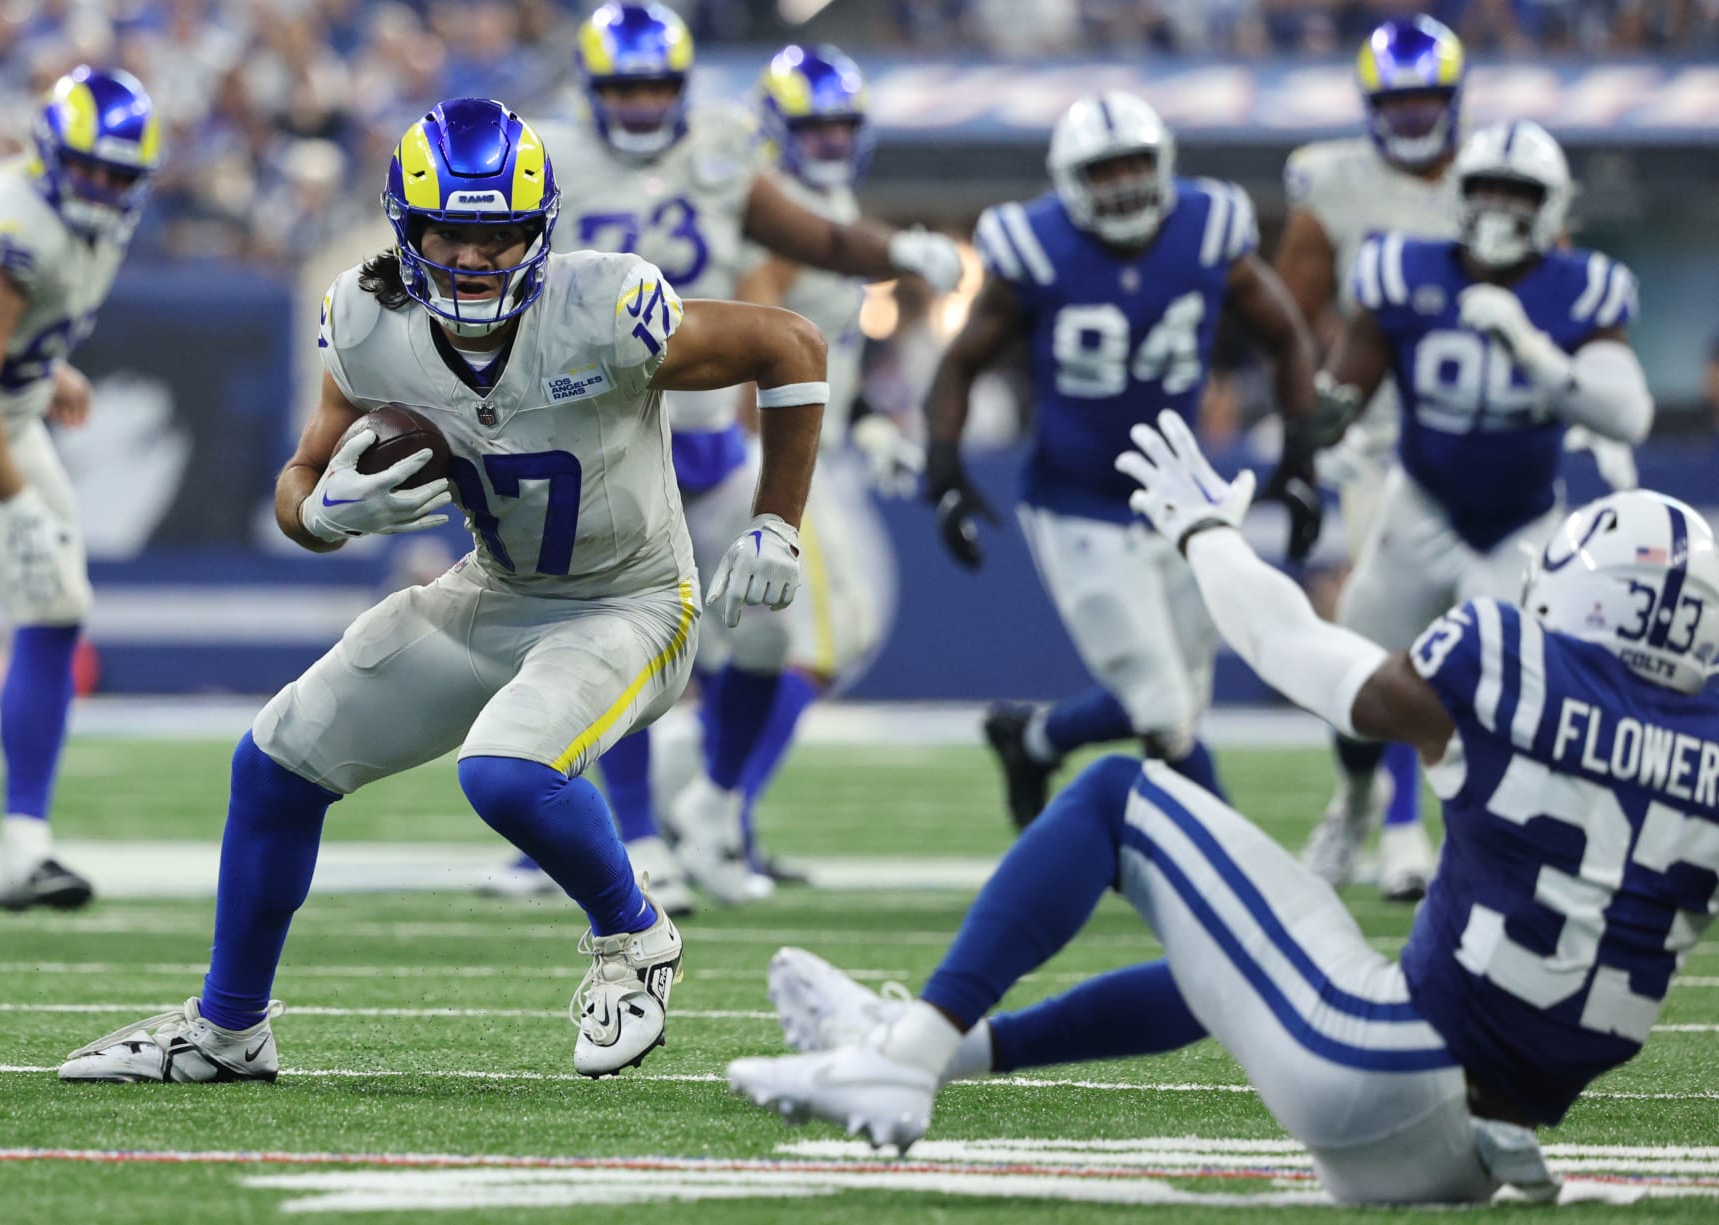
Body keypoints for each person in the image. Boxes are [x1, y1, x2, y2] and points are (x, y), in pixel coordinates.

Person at [730, 411, 1719, 1205]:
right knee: (1262, 932)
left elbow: (1290, 647)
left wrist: (1205, 531)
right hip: (1479, 1142)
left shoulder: (1516, 664)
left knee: (1120, 795)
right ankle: (927, 1051)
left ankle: (908, 1051)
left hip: (1384, 1070)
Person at [56, 97, 828, 1084]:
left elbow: (791, 345)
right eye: (450, 231)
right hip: (494, 593)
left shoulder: (606, 308)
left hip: (630, 601)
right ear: (407, 229)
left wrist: (776, 520)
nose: (472, 256)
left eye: (499, 233)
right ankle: (227, 1030)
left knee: (505, 772)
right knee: (276, 762)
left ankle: (635, 939)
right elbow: (300, 482)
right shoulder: (370, 323)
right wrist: (326, 516)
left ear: (539, 231)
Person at [486, 3, 960, 907]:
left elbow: (808, 236)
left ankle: (713, 807)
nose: (640, 104)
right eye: (623, 87)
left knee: (769, 627)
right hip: (597, 431)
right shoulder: (546, 159)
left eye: (656, 86)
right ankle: (632, 832)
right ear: (589, 88)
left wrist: (895, 249)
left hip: (704, 431)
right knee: (619, 639)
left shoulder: (718, 144)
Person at [925, 91, 1320, 828]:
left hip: (1177, 491)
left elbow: (1287, 334)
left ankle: (1033, 739)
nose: (1124, 183)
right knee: (1165, 709)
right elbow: (961, 361)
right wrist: (944, 469)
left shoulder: (1206, 229)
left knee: (1176, 697)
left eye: (1136, 163)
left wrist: (1300, 454)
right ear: (1070, 181)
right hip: (1077, 496)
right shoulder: (1035, 246)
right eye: (1104, 170)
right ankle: (1238, 858)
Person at [1300, 117, 1652, 899]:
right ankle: (1357, 802)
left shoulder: (1579, 286)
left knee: (1512, 704)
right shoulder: (1402, 267)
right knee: (1356, 672)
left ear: (1552, 205)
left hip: (1522, 522)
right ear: (1457, 196)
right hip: (1420, 505)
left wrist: (1532, 348)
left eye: (1517, 192)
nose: (1498, 206)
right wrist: (1324, 425)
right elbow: (1349, 379)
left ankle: (1495, 851)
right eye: (1486, 188)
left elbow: (1627, 415)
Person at [0, 66, 159, 909]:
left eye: (117, 175)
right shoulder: (9, 222)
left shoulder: (88, 225)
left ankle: (25, 845)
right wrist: (17, 503)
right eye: (87, 168)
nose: (99, 187)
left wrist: (45, 364)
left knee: (57, 605)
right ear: (50, 153)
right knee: (44, 560)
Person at [680, 42, 916, 887]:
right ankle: (712, 810)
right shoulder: (776, 218)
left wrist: (865, 418)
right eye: (812, 127)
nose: (828, 142)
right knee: (800, 646)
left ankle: (717, 811)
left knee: (815, 642)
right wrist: (760, 462)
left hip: (814, 450)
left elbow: (829, 354)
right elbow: (765, 346)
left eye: (840, 126)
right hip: (773, 460)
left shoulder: (829, 202)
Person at [1273, 15, 1466, 901]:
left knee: (1473, 649)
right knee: (1375, 644)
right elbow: (1287, 318)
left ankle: (1418, 816)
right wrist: (1313, 422)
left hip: (1481, 441)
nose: (1416, 111)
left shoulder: (1498, 177)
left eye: (1428, 95)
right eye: (1400, 98)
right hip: (1378, 444)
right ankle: (1384, 816)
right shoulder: (1336, 183)